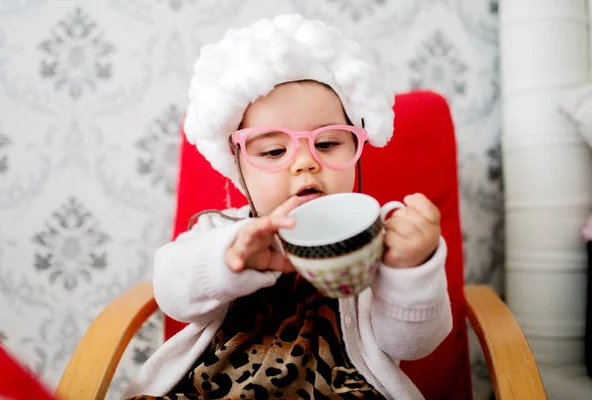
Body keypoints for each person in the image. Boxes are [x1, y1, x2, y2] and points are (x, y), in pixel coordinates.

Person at [124, 13, 451, 400]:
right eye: (274, 150)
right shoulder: (221, 233)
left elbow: (413, 345)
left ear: (357, 149)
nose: (304, 163)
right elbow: (172, 293)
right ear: (239, 166)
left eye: (328, 143)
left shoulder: (382, 237)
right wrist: (227, 261)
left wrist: (410, 267)